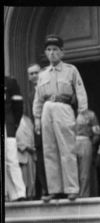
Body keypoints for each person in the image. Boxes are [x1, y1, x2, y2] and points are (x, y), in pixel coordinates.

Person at [33, 35, 88, 202]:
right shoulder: (42, 74)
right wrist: (36, 118)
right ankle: (54, 189)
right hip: (46, 109)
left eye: (55, 50)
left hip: (64, 108)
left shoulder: (71, 70)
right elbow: (38, 98)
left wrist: (82, 113)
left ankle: (72, 188)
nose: (52, 53)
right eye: (49, 50)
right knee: (49, 150)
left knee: (67, 149)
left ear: (62, 52)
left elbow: (80, 92)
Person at [27, 62, 48, 199]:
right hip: (38, 133)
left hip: (52, 128)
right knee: (40, 161)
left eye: (36, 72)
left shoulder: (49, 88)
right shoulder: (29, 94)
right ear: (28, 77)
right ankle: (45, 190)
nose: (34, 75)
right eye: (31, 73)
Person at [4, 75, 27, 201]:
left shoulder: (10, 82)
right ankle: (11, 193)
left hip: (7, 125)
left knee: (11, 159)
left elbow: (18, 106)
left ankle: (19, 193)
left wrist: (14, 124)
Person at [75, 109, 100, 198]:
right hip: (69, 142)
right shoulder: (67, 111)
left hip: (85, 140)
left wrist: (90, 144)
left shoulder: (90, 114)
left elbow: (97, 133)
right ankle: (73, 194)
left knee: (84, 172)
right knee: (71, 171)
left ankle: (83, 195)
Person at [16, 113, 36, 199]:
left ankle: (30, 195)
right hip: (22, 154)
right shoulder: (16, 120)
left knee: (32, 178)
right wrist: (26, 147)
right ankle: (23, 195)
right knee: (24, 178)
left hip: (31, 154)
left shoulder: (28, 120)